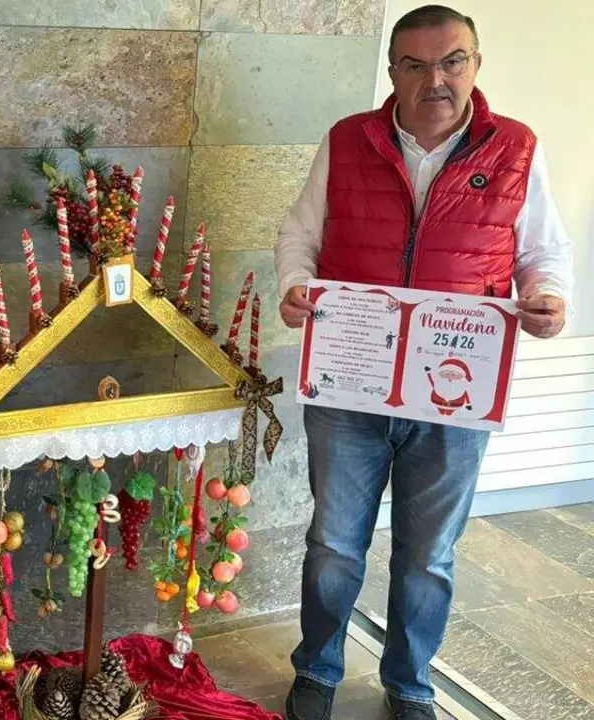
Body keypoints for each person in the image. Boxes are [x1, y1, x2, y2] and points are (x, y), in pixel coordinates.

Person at [275, 5, 574, 720]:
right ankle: (317, 670)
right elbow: (300, 231)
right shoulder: (348, 141)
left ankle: (409, 683)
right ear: (393, 72)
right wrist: (294, 286)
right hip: (351, 388)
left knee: (428, 556)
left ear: (475, 64)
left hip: (455, 398)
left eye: (452, 61)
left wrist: (548, 298)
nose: (435, 78)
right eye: (415, 64)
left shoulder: (518, 149)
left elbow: (544, 255)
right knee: (333, 546)